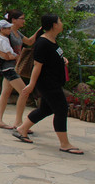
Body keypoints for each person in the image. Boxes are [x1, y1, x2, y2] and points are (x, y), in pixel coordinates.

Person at [12, 14, 83, 154]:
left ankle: (22, 129)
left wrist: (62, 60)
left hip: (53, 81)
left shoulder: (51, 40)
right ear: (54, 25)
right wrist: (31, 84)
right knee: (61, 109)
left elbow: (52, 58)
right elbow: (37, 65)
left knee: (46, 109)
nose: (62, 23)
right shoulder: (43, 43)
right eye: (60, 21)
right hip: (47, 83)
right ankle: (65, 144)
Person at [0, 10, 37, 130]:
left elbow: (30, 42)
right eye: (22, 18)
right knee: (24, 92)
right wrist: (4, 55)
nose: (24, 20)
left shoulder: (16, 33)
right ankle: (18, 122)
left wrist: (41, 30)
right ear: (14, 20)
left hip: (14, 66)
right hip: (8, 67)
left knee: (5, 92)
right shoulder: (7, 32)